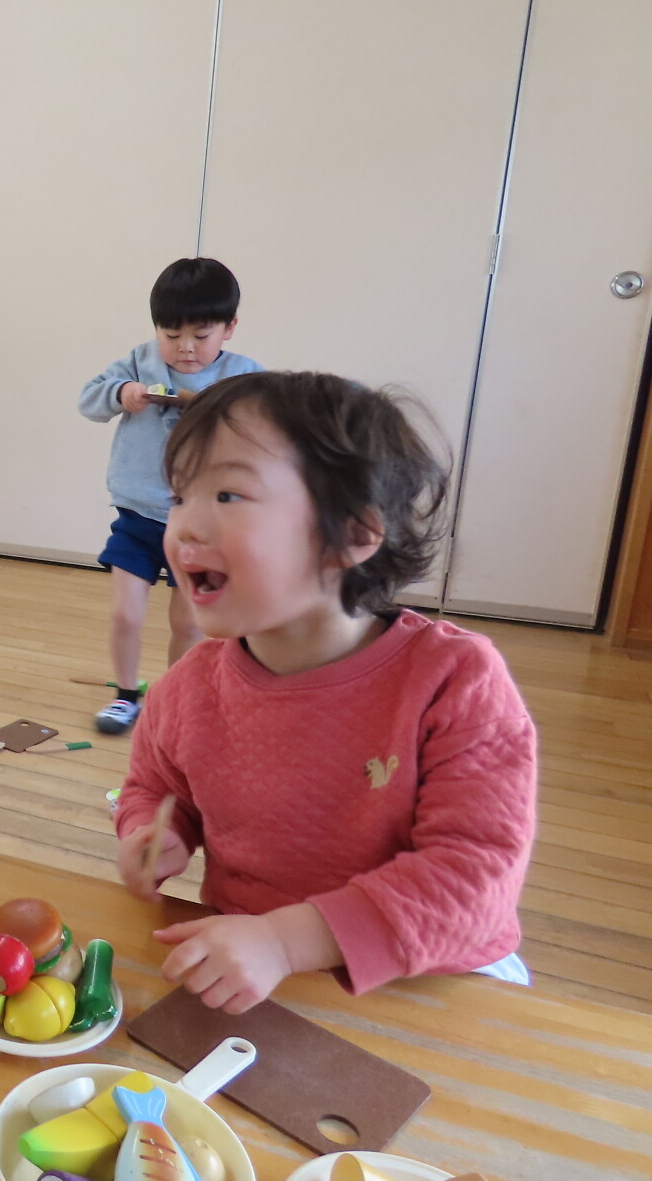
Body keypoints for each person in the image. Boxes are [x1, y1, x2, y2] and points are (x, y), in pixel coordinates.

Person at [115, 371, 538, 1012]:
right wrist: (153, 831)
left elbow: (474, 877)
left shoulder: (453, 681)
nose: (185, 527)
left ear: (354, 535)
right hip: (251, 969)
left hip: (434, 981)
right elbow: (153, 787)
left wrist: (288, 942)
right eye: (179, 495)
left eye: (228, 494)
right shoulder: (188, 687)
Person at [77, 258, 261, 734]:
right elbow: (88, 400)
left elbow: (266, 430)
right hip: (138, 518)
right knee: (125, 614)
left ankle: (178, 699)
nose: (185, 348)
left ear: (229, 328)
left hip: (201, 526)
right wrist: (121, 393)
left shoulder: (242, 375)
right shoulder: (140, 361)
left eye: (201, 335)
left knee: (189, 624)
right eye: (171, 334)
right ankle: (125, 696)